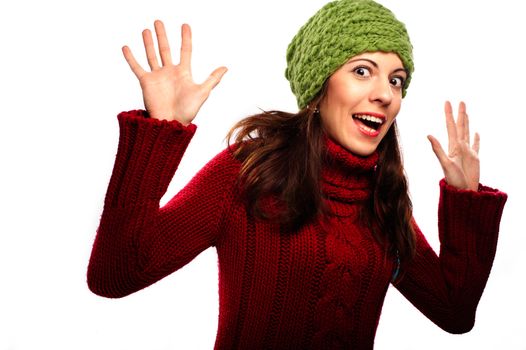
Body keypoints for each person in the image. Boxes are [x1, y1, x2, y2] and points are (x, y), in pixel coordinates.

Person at [87, 0, 508, 348]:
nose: (385, 94)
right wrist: (161, 132)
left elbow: (454, 313)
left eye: (397, 81)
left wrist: (464, 200)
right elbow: (115, 273)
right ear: (319, 86)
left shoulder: (381, 200)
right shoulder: (250, 172)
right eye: (362, 71)